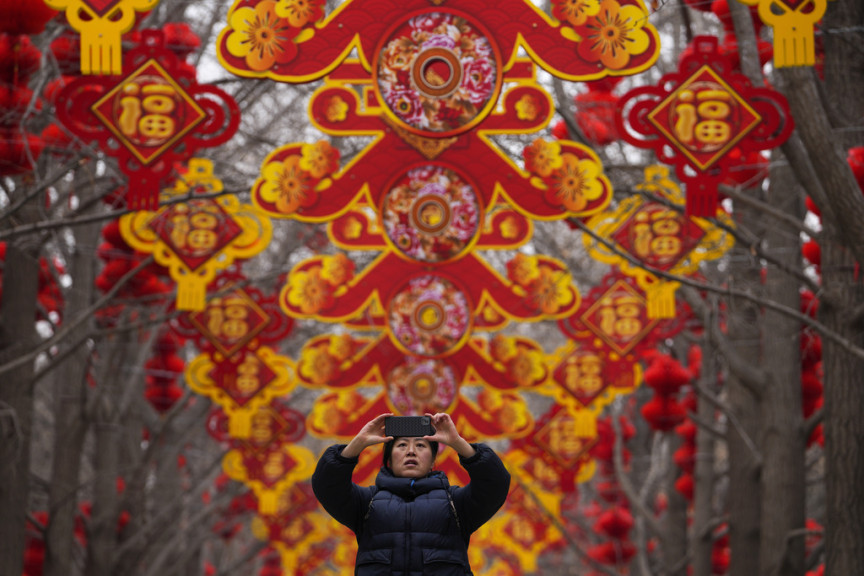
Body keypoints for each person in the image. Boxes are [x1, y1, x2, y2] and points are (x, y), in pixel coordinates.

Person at [311, 412, 511, 575]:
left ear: (433, 461)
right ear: (389, 459)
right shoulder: (366, 503)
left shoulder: (456, 503)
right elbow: (327, 485)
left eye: (421, 445)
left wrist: (457, 442)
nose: (411, 451)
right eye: (402, 445)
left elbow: (495, 484)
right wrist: (357, 444)